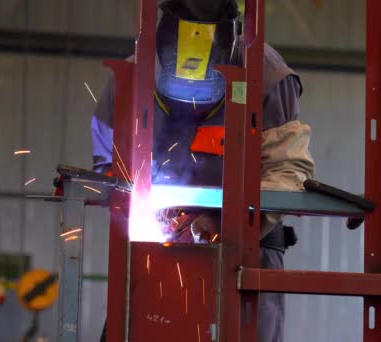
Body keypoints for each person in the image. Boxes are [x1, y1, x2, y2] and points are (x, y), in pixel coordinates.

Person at [91, 1, 315, 341]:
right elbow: (109, 166)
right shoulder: (133, 74)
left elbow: (288, 171)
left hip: (244, 259)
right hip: (153, 255)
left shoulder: (266, 73)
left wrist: (224, 224)